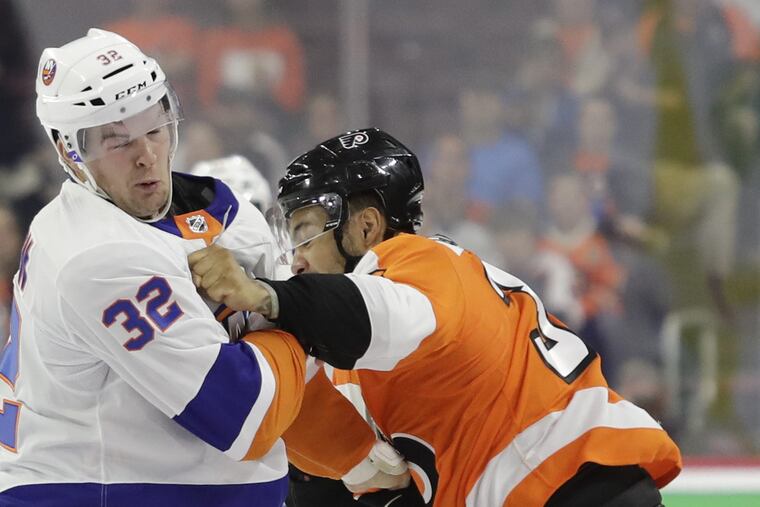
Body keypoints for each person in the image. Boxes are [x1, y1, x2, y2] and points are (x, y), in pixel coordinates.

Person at [0, 30, 393, 507]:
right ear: (70, 152)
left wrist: (359, 457)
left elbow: (284, 381)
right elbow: (242, 414)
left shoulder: (230, 216)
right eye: (116, 141)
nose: (146, 154)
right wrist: (285, 304)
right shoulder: (95, 255)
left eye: (154, 127)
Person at [189, 128, 683, 506]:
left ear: (365, 226)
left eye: (304, 231)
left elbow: (375, 312)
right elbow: (363, 475)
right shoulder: (366, 343)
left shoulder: (418, 262)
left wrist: (265, 295)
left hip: (572, 482)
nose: (294, 259)